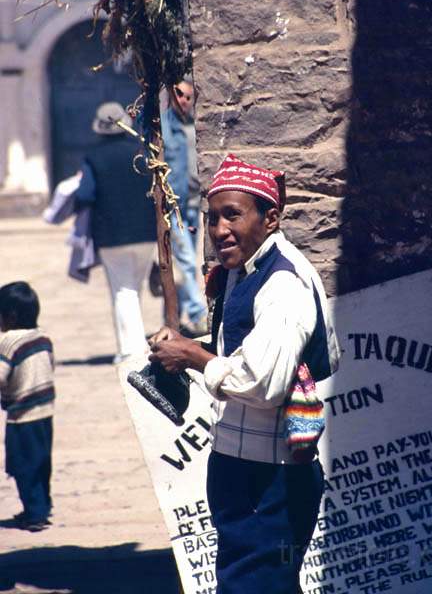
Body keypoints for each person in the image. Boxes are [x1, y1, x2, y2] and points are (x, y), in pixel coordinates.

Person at [148, 153, 340, 594]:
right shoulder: (245, 270)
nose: (219, 231)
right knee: (258, 579)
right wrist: (189, 349)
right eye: (212, 218)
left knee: (254, 583)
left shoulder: (282, 285)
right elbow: (246, 353)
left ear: (270, 218)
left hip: (268, 481)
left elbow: (264, 382)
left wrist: (194, 357)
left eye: (232, 216)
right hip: (244, 470)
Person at [75, 102, 157, 364]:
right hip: (146, 232)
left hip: (111, 234)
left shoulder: (93, 157)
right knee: (134, 288)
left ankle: (131, 350)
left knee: (123, 290)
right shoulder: (143, 153)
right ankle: (136, 344)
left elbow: (84, 194)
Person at [0, 281, 55, 532]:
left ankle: (35, 515)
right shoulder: (43, 337)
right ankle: (42, 506)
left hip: (22, 415)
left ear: (10, 316)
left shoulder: (9, 341)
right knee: (42, 462)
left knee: (22, 466)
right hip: (45, 412)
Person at [160, 77, 207, 334]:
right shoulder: (165, 126)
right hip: (173, 203)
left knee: (188, 260)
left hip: (193, 203)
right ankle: (199, 315)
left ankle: (172, 315)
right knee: (186, 260)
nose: (184, 100)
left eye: (188, 96)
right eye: (179, 95)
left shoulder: (197, 124)